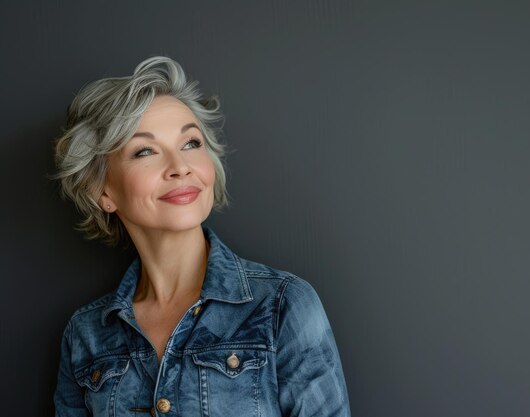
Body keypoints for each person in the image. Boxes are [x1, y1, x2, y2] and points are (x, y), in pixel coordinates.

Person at [53, 56, 350, 417]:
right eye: (145, 151)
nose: (180, 167)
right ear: (102, 191)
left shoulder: (282, 307)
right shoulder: (85, 335)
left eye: (191, 143)